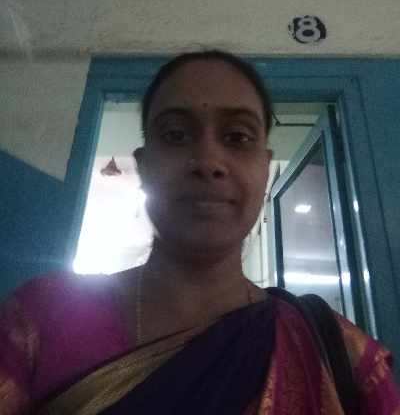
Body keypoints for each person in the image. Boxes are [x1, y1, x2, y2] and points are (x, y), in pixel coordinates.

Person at [1, 50, 399, 414]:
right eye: (175, 135)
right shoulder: (41, 319)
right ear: (143, 166)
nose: (208, 161)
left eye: (237, 137)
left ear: (265, 169)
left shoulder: (339, 354)